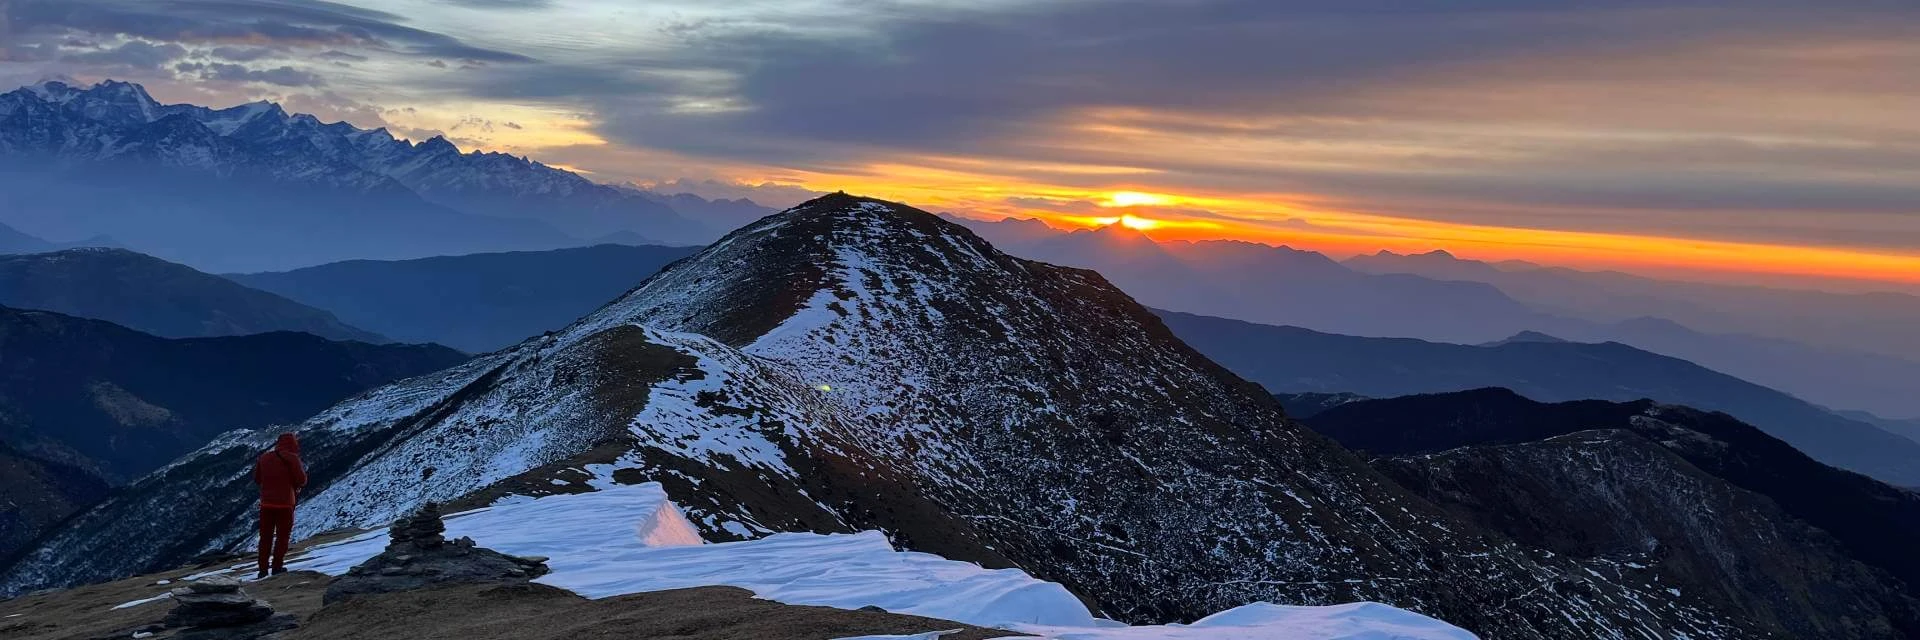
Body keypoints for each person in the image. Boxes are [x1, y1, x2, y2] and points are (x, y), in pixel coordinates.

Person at [252, 432, 307, 578]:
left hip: (266, 504)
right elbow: (302, 480)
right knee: (282, 537)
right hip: (285, 504)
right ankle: (277, 567)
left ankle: (262, 570)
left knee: (265, 537)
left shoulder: (264, 457)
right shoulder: (293, 458)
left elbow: (257, 479)